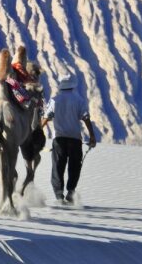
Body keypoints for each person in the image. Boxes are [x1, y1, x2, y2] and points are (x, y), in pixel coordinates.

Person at [40, 72, 96, 205]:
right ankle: (71, 192)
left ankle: (59, 196)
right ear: (73, 85)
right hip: (75, 139)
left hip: (59, 139)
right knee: (74, 167)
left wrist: (36, 132)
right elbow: (86, 118)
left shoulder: (55, 100)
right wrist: (92, 136)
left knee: (57, 167)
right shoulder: (79, 100)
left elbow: (46, 118)